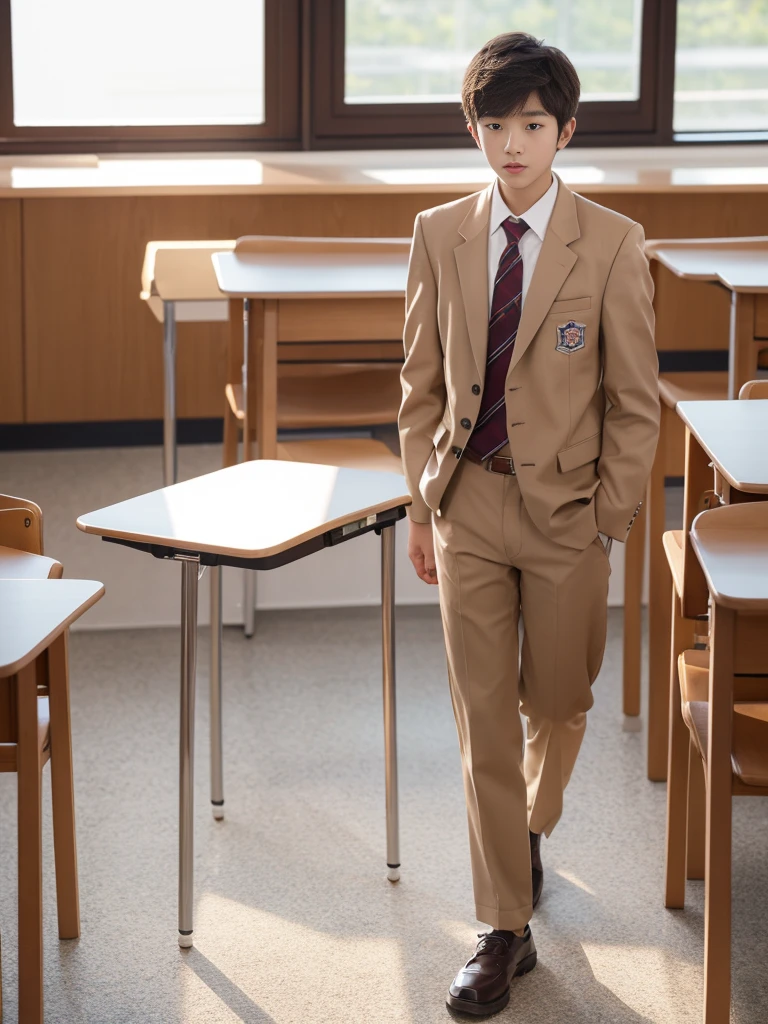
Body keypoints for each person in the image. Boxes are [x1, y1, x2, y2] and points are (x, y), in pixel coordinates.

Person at [398, 31, 660, 1018]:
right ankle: (503, 927)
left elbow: (636, 401)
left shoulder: (613, 241)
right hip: (468, 500)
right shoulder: (438, 233)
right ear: (475, 129)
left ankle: (531, 825)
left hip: (566, 518)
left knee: (560, 697)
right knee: (482, 728)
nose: (514, 144)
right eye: (496, 124)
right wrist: (426, 500)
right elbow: (419, 385)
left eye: (534, 125)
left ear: (565, 131)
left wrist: (608, 519)